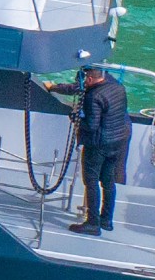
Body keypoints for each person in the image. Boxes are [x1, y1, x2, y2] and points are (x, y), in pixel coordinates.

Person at [48, 63, 133, 234]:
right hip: (117, 141)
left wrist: (74, 117)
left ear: (90, 78)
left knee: (91, 181)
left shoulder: (93, 96)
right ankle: (106, 220)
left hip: (98, 144)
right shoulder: (118, 87)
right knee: (108, 182)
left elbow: (91, 125)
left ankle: (93, 223)